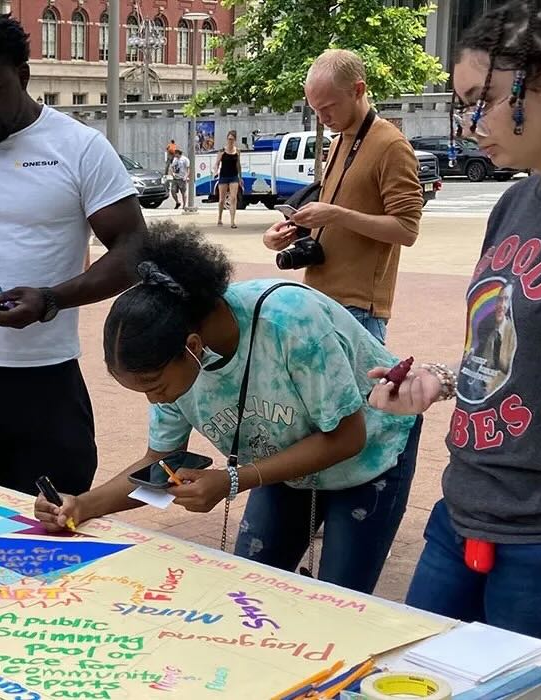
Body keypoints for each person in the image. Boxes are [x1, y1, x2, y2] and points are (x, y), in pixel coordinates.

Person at [367, 0, 541, 692]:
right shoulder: (514, 202)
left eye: (482, 102)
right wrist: (438, 380)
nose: (467, 124)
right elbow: (499, 352)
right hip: (460, 517)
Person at [35, 221, 421, 595]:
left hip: (372, 458)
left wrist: (234, 479)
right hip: (284, 463)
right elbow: (160, 459)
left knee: (340, 603)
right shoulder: (171, 357)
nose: (157, 400)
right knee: (249, 589)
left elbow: (347, 437)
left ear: (193, 347)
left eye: (155, 387)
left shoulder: (288, 321)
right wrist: (82, 505)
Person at [0, 10, 146, 497]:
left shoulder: (80, 148)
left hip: (46, 382)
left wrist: (51, 299)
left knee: (53, 531)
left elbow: (134, 248)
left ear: (23, 75)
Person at [262, 49, 423, 344]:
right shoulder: (338, 143)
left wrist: (337, 214)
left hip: (358, 309)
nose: (322, 118)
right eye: (314, 109)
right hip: (320, 297)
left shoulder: (391, 146)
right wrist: (286, 233)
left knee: (361, 393)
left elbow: (407, 230)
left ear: (358, 90)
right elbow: (337, 215)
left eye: (328, 107)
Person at [215, 130, 241, 228]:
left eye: (232, 139)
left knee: (233, 198)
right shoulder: (222, 151)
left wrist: (240, 177)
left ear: (235, 140)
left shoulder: (237, 151)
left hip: (234, 176)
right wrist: (215, 171)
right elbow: (217, 163)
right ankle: (220, 218)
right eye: (229, 139)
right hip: (224, 176)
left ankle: (232, 221)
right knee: (221, 199)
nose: (230, 141)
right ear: (227, 139)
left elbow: (238, 165)